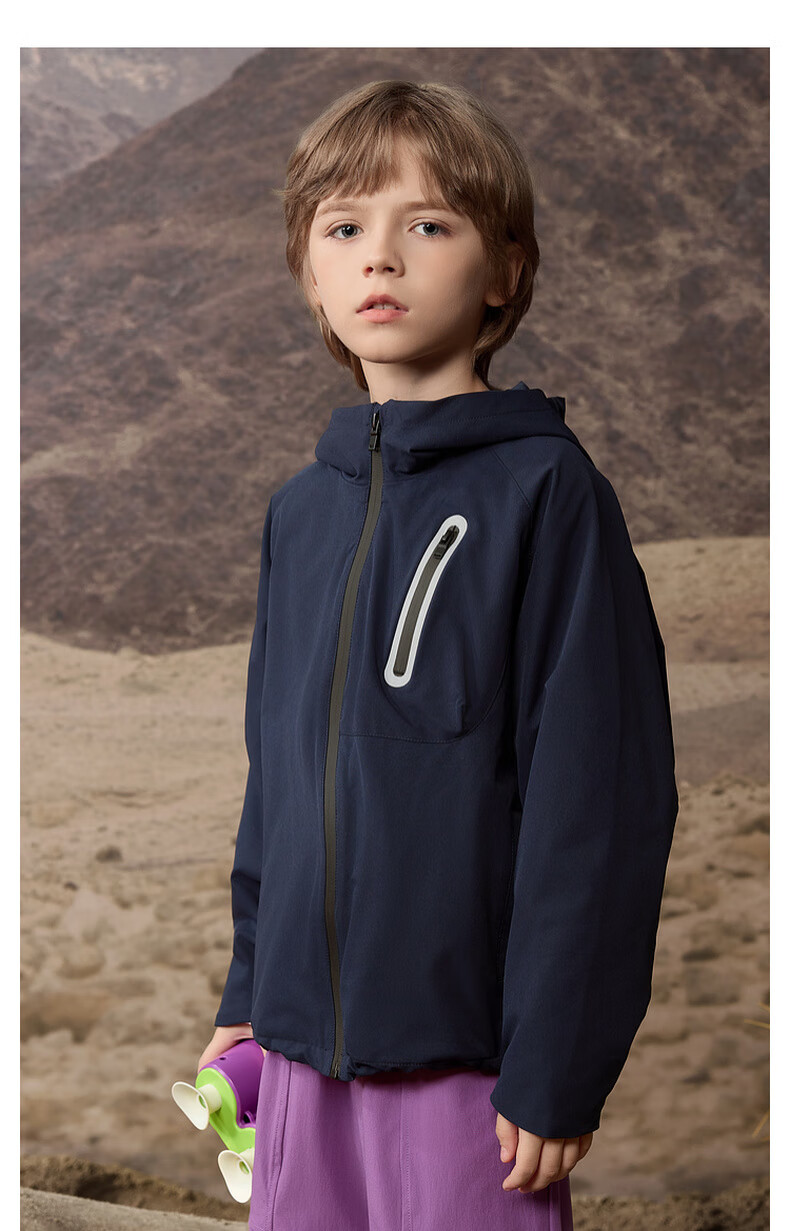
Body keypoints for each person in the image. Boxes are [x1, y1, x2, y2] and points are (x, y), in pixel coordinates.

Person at [197, 79, 679, 1231]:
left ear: (504, 270)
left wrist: (558, 1059)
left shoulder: (549, 495)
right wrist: (250, 994)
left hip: (473, 1069)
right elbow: (280, 783)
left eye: (427, 223)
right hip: (299, 1058)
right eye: (343, 228)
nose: (380, 256)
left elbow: (597, 806)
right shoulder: (299, 513)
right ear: (309, 273)